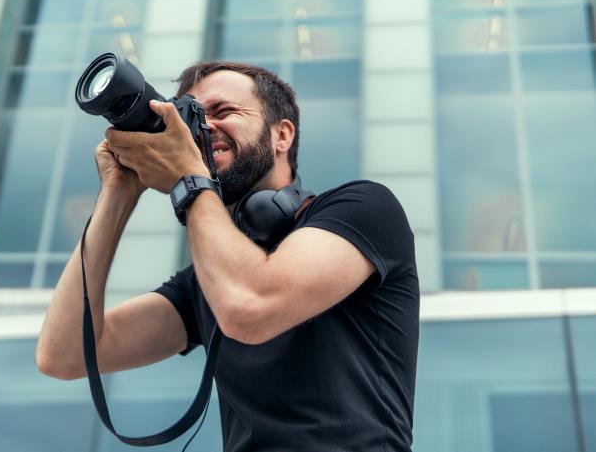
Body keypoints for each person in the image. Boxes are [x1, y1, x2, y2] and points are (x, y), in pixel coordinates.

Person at [36, 61, 420, 452]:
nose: (204, 129)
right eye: (193, 118)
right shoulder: (206, 283)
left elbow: (251, 307)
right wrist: (118, 193)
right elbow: (63, 354)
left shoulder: (363, 208)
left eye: (223, 112)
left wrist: (187, 177)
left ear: (281, 134)